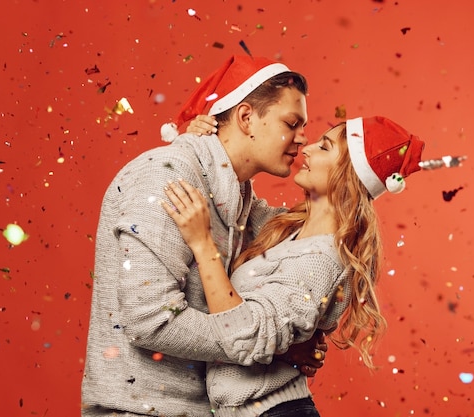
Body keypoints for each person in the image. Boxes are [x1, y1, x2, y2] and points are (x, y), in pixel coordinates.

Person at [81, 55, 327, 417]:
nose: (304, 139)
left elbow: (305, 242)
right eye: (292, 123)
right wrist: (265, 346)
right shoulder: (166, 178)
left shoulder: (238, 196)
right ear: (246, 118)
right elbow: (151, 322)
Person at [162, 116, 428, 416]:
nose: (308, 148)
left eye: (325, 147)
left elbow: (245, 337)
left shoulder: (321, 260)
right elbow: (232, 199)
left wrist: (202, 245)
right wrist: (207, 141)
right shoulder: (286, 231)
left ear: (349, 174)